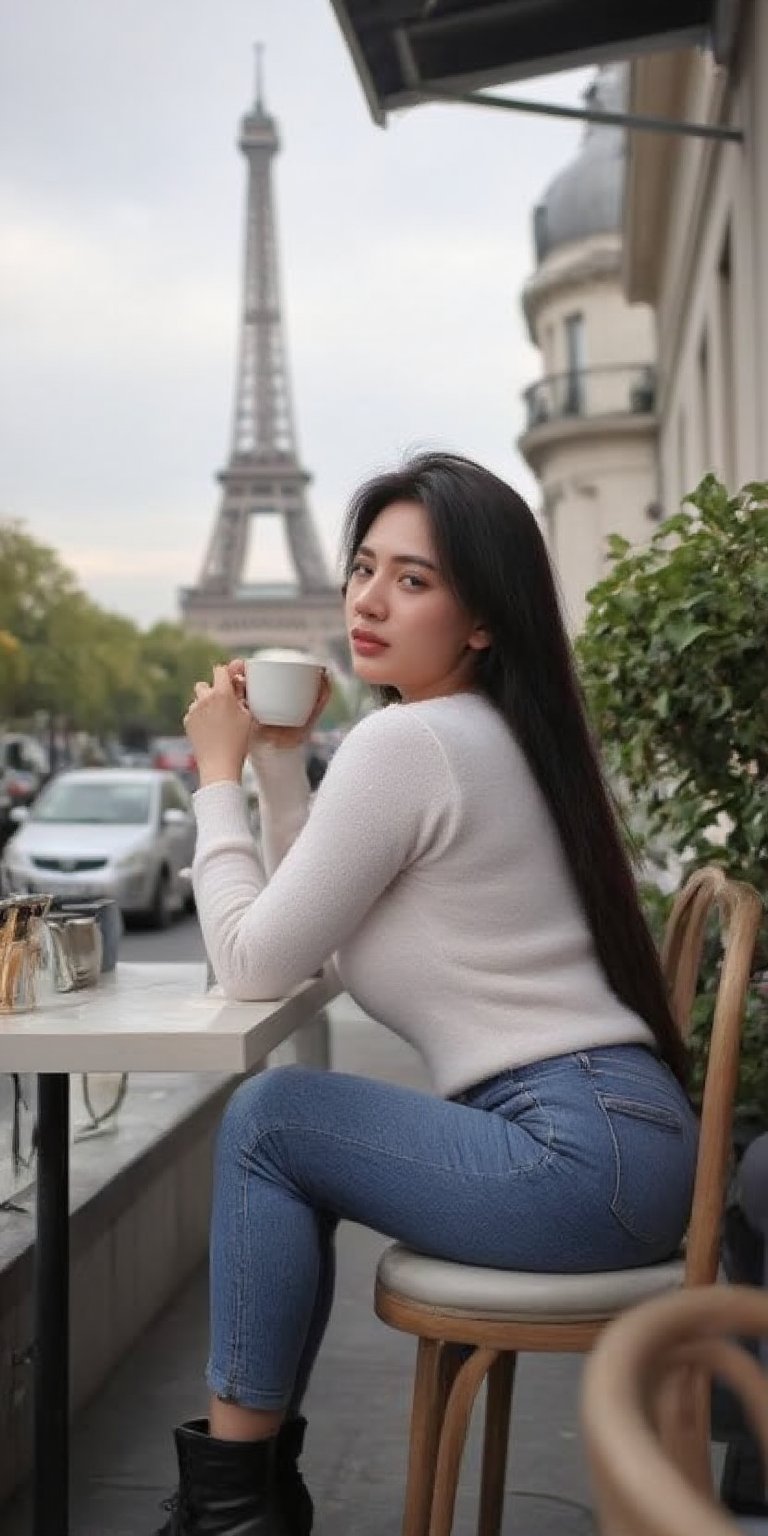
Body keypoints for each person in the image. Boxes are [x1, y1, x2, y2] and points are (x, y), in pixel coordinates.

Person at [162, 452, 699, 1536]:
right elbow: (313, 935)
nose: (367, 599)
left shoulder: (409, 740)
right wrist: (276, 769)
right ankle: (237, 1506)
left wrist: (212, 777)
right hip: (625, 1138)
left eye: (414, 580)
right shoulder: (482, 732)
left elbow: (254, 961)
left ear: (483, 620)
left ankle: (231, 1513)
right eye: (364, 568)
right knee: (280, 1124)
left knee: (271, 1122)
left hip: (574, 1148)